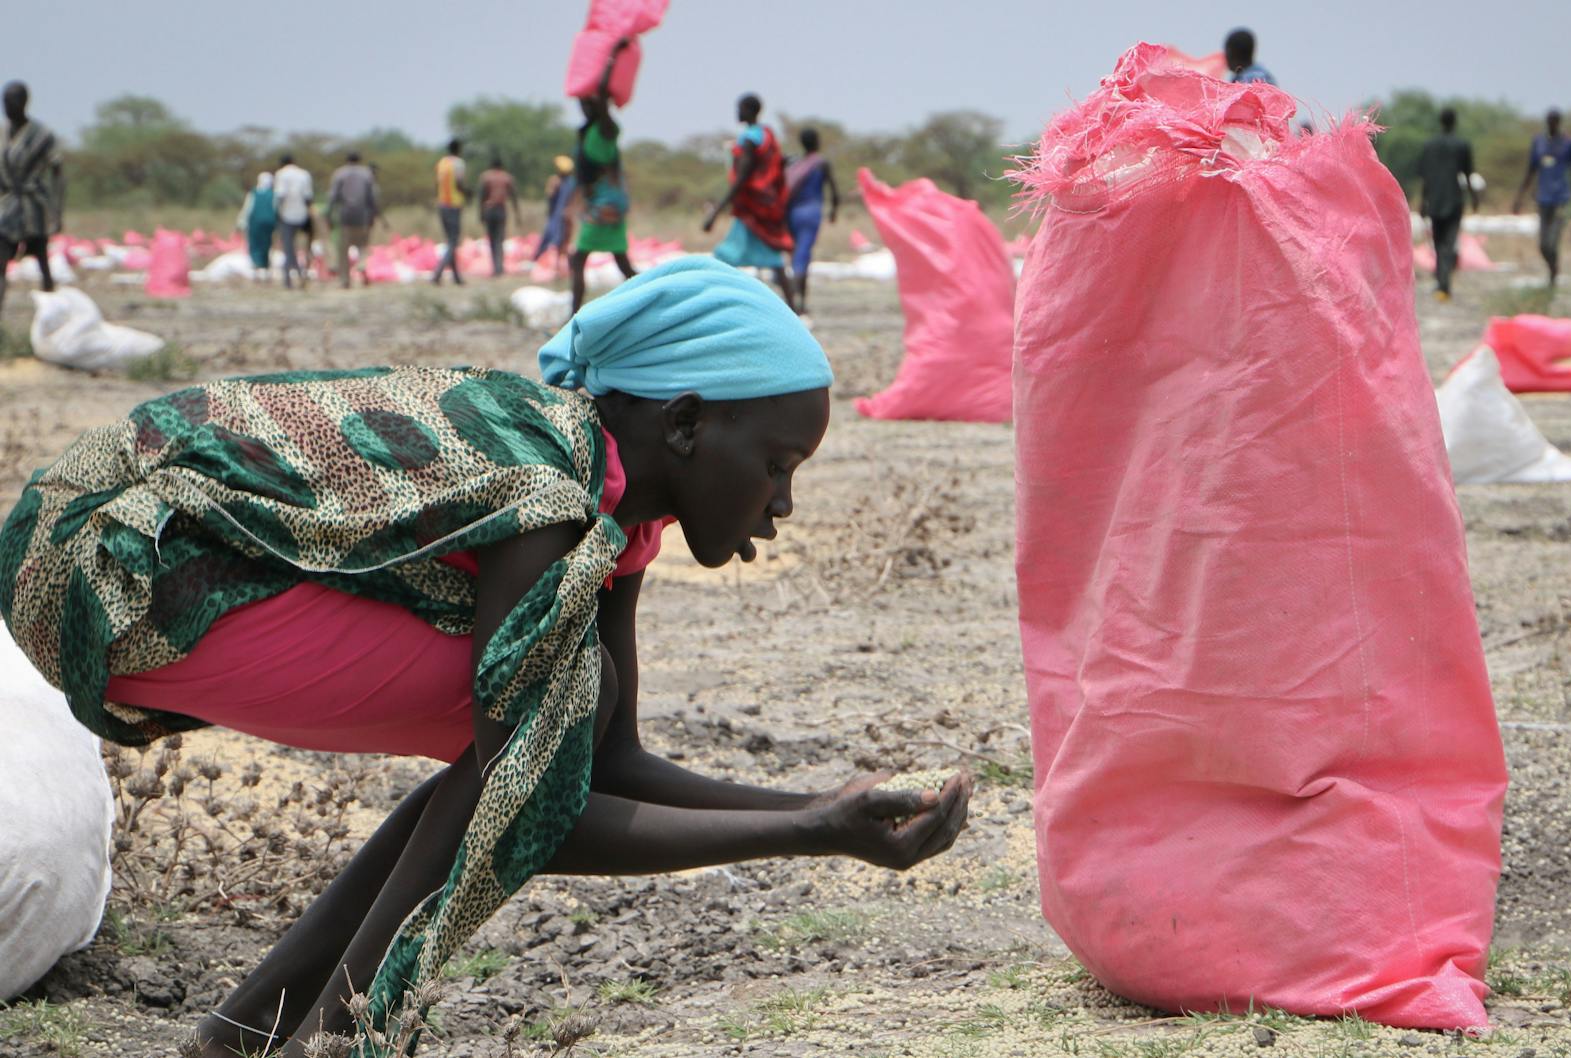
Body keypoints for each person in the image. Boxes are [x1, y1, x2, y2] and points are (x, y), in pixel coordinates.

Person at [0, 255, 974, 1056]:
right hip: (105, 567)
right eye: (776, 466)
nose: (783, 503)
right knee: (544, 722)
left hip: (147, 565)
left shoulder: (617, 515)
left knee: (547, 719)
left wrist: (826, 808)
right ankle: (335, 1038)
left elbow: (607, 765)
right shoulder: (546, 492)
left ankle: (243, 1035)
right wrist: (808, 830)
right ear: (684, 424)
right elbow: (534, 808)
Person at [704, 93, 795, 310]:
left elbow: (742, 177)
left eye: (740, 108)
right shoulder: (766, 135)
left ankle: (719, 305)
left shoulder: (749, 139)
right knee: (771, 260)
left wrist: (716, 211)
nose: (737, 112)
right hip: (764, 205)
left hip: (751, 209)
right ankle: (793, 309)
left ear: (749, 110)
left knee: (725, 256)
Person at [571, 39, 638, 310]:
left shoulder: (607, 128)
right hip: (604, 201)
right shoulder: (590, 131)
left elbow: (601, 92)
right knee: (621, 262)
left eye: (587, 103)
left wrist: (612, 55)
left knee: (579, 259)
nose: (583, 106)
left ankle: (573, 316)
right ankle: (652, 299)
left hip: (606, 203)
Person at [0, 81, 64, 316]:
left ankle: (52, 313)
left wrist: (57, 211)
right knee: (1, 260)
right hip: (7, 206)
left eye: (12, 102)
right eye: (5, 101)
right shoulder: (2, 134)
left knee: (41, 261)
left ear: (24, 103)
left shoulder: (41, 135)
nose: (8, 107)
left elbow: (58, 173)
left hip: (34, 206)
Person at [1511, 108, 1571, 288]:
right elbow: (1531, 171)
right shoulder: (1538, 143)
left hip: (1562, 199)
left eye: (1554, 121)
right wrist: (1519, 197)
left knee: (1552, 241)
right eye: (1549, 121)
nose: (1551, 124)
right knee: (1543, 245)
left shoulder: (1568, 144)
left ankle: (1553, 273)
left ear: (1558, 122)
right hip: (1543, 199)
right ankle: (1553, 268)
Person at [1417, 107, 1479, 302]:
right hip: (1454, 199)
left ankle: (1442, 281)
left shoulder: (1429, 146)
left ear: (1441, 121)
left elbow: (1426, 177)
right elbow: (1468, 175)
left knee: (1439, 242)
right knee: (1449, 243)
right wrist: (1474, 197)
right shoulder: (1462, 145)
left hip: (1435, 199)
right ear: (1454, 122)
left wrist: (1423, 202)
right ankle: (1444, 281)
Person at [783, 127, 840, 319]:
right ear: (817, 141)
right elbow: (834, 191)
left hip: (791, 214)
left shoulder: (796, 165)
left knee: (796, 256)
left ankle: (797, 303)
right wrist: (833, 211)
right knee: (802, 258)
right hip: (811, 214)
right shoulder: (821, 164)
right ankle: (797, 304)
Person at [327, 151, 380, 289]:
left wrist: (329, 214)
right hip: (363, 215)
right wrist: (373, 215)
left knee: (343, 249)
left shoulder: (339, 173)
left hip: (345, 215)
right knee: (362, 245)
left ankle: (345, 280)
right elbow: (372, 197)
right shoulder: (367, 174)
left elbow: (333, 197)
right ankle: (362, 265)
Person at [272, 153, 315, 289]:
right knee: (305, 247)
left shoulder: (281, 174)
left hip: (287, 215)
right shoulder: (304, 174)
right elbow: (308, 197)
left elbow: (280, 195)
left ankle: (289, 279)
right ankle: (301, 273)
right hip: (303, 215)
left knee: (288, 247)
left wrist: (277, 213)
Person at [476, 154, 522, 278]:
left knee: (492, 240)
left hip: (489, 209)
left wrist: (480, 213)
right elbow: (514, 197)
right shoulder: (507, 177)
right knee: (499, 239)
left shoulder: (486, 177)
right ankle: (499, 268)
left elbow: (481, 196)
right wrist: (517, 214)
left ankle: (495, 268)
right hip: (501, 209)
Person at [432, 138, 470, 286]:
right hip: (453, 205)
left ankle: (456, 277)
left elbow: (437, 184)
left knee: (450, 241)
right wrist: (468, 193)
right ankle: (438, 273)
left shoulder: (441, 163)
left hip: (442, 204)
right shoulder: (458, 163)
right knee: (453, 241)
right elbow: (459, 183)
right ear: (458, 149)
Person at [533, 154, 577, 275]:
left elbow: (550, 196)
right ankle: (563, 266)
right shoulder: (570, 182)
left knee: (558, 242)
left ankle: (559, 265)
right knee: (560, 242)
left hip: (559, 216)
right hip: (564, 215)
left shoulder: (560, 182)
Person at [235, 172, 276, 283]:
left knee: (255, 246)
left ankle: (256, 272)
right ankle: (266, 272)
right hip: (269, 224)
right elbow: (276, 209)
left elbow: (247, 209)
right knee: (266, 246)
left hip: (255, 224)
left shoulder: (253, 194)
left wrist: (240, 223)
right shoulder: (273, 194)